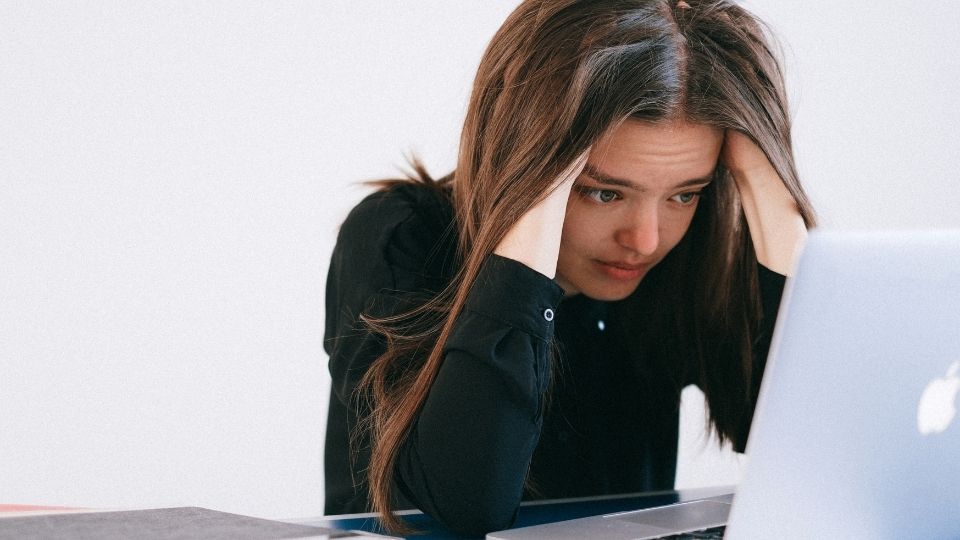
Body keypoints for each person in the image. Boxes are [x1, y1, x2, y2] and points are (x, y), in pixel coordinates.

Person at [323, 0, 816, 536]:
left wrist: (773, 188)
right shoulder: (400, 237)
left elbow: (811, 452)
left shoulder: (684, 254)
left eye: (684, 194)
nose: (645, 240)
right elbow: (467, 503)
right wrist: (531, 205)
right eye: (603, 192)